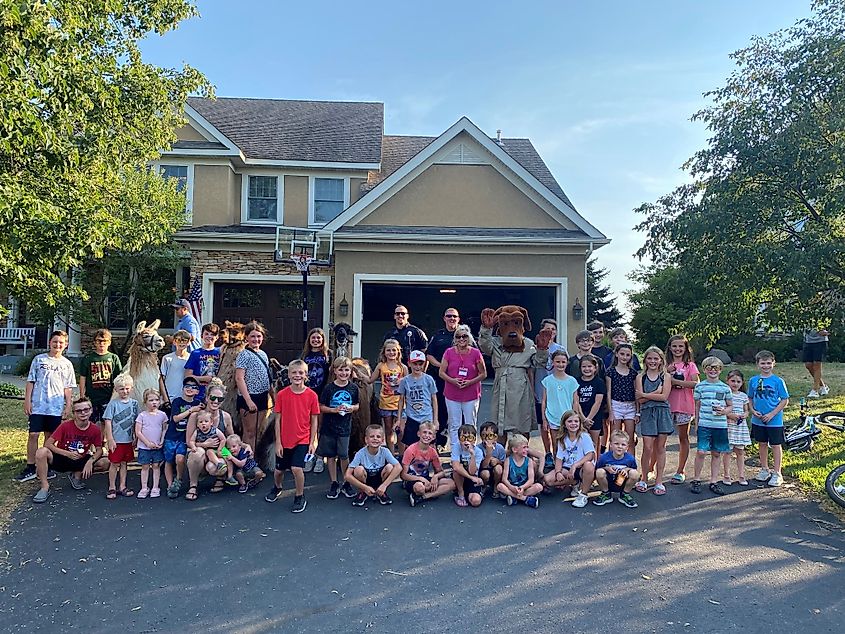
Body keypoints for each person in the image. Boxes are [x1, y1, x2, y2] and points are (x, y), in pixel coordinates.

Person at [15, 330, 76, 483]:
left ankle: (45, 465)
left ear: (66, 345)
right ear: (50, 342)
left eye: (61, 343)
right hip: (38, 405)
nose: (57, 345)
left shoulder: (67, 364)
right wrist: (27, 401)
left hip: (55, 407)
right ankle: (30, 466)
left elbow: (68, 388)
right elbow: (31, 381)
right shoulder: (39, 360)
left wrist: (68, 406)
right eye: (55, 341)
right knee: (33, 435)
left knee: (49, 437)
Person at [265, 359, 319, 513]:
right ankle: (277, 487)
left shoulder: (312, 396)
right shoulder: (282, 395)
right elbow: (277, 420)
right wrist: (279, 442)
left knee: (296, 468)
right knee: (279, 471)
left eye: (301, 372)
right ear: (288, 375)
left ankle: (299, 496)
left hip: (302, 439)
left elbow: (314, 420)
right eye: (294, 372)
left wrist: (313, 441)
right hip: (284, 440)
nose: (297, 375)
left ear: (306, 375)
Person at [31, 397, 108, 504]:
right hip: (62, 457)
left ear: (91, 411)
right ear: (74, 413)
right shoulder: (65, 425)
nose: (83, 413)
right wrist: (67, 453)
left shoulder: (95, 429)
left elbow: (99, 449)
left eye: (86, 409)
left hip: (80, 458)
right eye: (79, 411)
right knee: (41, 452)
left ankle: (77, 475)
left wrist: (90, 461)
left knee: (105, 463)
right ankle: (44, 486)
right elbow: (49, 444)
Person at [439, 324, 486, 453]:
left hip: (470, 394)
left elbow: (483, 374)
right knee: (454, 424)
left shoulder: (475, 353)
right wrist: (453, 381)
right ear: (455, 339)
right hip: (452, 394)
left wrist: (470, 382)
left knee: (470, 423)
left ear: (469, 337)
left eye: (464, 336)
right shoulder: (449, 352)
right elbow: (441, 372)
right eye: (458, 336)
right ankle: (455, 450)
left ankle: (470, 450)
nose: (461, 339)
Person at [185, 378, 235, 500]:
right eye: (213, 398)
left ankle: (221, 478)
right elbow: (188, 442)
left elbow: (231, 439)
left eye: (220, 399)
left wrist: (244, 446)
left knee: (215, 466)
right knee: (197, 453)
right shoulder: (195, 416)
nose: (216, 401)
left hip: (217, 453)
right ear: (207, 398)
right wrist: (205, 444)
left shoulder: (226, 417)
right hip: (201, 450)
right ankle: (193, 485)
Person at [691, 356, 733, 495]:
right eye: (709, 367)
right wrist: (696, 423)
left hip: (720, 425)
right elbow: (697, 406)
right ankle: (696, 479)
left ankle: (713, 481)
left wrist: (724, 411)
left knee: (716, 453)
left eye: (716, 367)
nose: (712, 370)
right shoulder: (700, 386)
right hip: (705, 423)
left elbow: (730, 406)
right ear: (704, 370)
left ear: (720, 370)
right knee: (701, 452)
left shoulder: (725, 388)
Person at [319, 356, 360, 500]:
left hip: (345, 427)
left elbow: (357, 405)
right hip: (329, 427)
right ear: (335, 371)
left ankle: (346, 481)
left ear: (350, 371)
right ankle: (334, 482)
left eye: (346, 370)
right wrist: (333, 410)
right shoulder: (329, 388)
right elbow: (321, 406)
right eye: (340, 370)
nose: (343, 373)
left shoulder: (353, 388)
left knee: (344, 455)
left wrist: (352, 408)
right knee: (331, 456)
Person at [634, 346, 673, 495]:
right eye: (649, 358)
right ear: (645, 360)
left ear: (661, 360)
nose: (652, 361)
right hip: (647, 413)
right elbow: (640, 399)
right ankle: (644, 477)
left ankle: (659, 481)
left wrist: (646, 394)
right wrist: (655, 392)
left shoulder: (666, 376)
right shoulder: (640, 377)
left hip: (662, 413)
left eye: (655, 358)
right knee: (647, 447)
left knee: (660, 447)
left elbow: (664, 397)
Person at [748, 350, 790, 488]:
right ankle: (764, 469)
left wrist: (772, 414)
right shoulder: (753, 380)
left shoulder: (778, 381)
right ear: (758, 364)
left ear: (773, 363)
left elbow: (784, 400)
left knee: (776, 445)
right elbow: (749, 397)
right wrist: (753, 410)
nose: (766, 366)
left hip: (774, 420)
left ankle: (777, 472)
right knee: (762, 443)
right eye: (763, 363)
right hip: (758, 419)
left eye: (768, 363)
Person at [543, 410, 596, 508]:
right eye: (570, 421)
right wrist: (558, 472)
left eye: (576, 421)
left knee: (588, 465)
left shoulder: (584, 436)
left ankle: (583, 494)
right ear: (564, 424)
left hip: (581, 468)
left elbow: (590, 455)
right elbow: (559, 458)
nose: (573, 424)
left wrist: (575, 465)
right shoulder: (562, 438)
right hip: (567, 468)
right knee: (548, 479)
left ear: (580, 423)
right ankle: (575, 483)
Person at [665, 334, 699, 484]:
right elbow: (654, 378)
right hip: (665, 404)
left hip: (684, 404)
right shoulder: (665, 364)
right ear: (670, 348)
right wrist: (667, 372)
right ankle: (652, 468)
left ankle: (680, 470)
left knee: (683, 437)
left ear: (685, 348)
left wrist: (677, 382)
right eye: (675, 346)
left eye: (681, 346)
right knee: (660, 438)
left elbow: (696, 383)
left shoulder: (690, 365)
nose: (677, 349)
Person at [235, 321, 273, 454]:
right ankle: (246, 461)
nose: (256, 339)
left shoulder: (263, 354)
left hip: (262, 396)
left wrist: (273, 396)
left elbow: (267, 377)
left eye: (258, 336)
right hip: (249, 397)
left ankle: (254, 458)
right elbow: (239, 378)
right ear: (246, 338)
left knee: (257, 431)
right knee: (249, 432)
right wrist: (248, 400)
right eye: (253, 336)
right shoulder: (243, 355)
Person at [425, 308, 461, 446]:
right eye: (449, 316)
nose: (451, 318)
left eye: (454, 316)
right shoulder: (438, 336)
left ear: (458, 319)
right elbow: (429, 355)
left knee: (458, 414)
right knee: (440, 410)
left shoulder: (464, 336)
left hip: (458, 381)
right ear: (444, 318)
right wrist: (441, 366)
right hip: (439, 379)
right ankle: (439, 442)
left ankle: (459, 445)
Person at [540, 350, 580, 473]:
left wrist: (576, 417)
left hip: (568, 418)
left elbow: (575, 401)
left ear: (567, 363)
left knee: (569, 444)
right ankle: (557, 469)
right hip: (553, 416)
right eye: (558, 362)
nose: (560, 365)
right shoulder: (548, 380)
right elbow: (544, 401)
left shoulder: (572, 381)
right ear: (553, 362)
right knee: (556, 443)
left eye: (563, 362)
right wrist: (544, 419)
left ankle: (568, 467)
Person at [345, 424, 402, 507]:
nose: (375, 439)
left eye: (378, 437)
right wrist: (364, 487)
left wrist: (384, 485)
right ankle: (363, 492)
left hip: (380, 479)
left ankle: (381, 492)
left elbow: (399, 467)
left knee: (390, 467)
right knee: (358, 469)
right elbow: (347, 475)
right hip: (366, 480)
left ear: (382, 440)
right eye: (372, 436)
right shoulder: (360, 453)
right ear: (366, 440)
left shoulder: (385, 451)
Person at [163, 376, 202, 499]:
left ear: (197, 391)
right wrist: (191, 411)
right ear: (183, 388)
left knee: (180, 459)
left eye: (193, 387)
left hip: (184, 437)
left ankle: (178, 479)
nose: (190, 389)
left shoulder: (198, 403)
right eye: (187, 386)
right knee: (169, 460)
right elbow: (175, 418)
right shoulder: (177, 401)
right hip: (172, 435)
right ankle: (170, 485)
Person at [367, 338, 407, 455]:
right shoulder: (381, 366)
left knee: (400, 431)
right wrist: (358, 374)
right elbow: (370, 380)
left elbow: (408, 384)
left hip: (400, 403)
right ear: (384, 352)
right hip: (385, 403)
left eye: (394, 350)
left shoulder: (402, 367)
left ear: (398, 352)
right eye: (388, 350)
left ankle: (402, 455)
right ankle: (390, 454)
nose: (391, 353)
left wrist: (402, 381)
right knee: (389, 431)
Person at [103, 374, 139, 499]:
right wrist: (110, 439)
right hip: (116, 440)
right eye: (121, 389)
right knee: (114, 463)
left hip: (128, 439)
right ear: (116, 390)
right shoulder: (113, 404)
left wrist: (136, 436)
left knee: (124, 463)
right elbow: (107, 421)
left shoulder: (134, 404)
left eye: (127, 388)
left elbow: (136, 421)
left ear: (131, 388)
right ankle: (112, 486)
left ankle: (122, 486)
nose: (125, 391)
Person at [401, 421, 454, 506]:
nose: (427, 435)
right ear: (418, 434)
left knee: (451, 483)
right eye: (424, 432)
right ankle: (428, 493)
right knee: (420, 487)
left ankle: (423, 497)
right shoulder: (410, 450)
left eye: (430, 433)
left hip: (426, 479)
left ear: (433, 437)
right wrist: (421, 480)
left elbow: (440, 471)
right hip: (412, 480)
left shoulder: (432, 452)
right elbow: (403, 475)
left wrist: (435, 477)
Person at [532, 318, 566, 450]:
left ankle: (558, 451)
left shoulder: (560, 349)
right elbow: (531, 370)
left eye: (553, 329)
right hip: (540, 391)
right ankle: (547, 451)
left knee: (557, 424)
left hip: (557, 392)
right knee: (543, 424)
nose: (550, 332)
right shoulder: (534, 348)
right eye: (547, 329)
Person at [396, 350, 438, 455]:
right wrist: (399, 419)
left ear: (424, 364)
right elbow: (401, 400)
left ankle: (428, 466)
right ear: (409, 363)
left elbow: (434, 399)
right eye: (415, 364)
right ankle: (410, 466)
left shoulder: (429, 379)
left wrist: (435, 420)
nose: (417, 367)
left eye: (420, 364)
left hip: (426, 417)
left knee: (429, 444)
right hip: (412, 417)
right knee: (410, 445)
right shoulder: (405, 381)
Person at [302, 328, 331, 474]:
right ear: (309, 340)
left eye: (319, 338)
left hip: (322, 396)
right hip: (306, 396)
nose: (316, 340)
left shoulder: (328, 355)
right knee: (308, 428)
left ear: (323, 340)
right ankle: (309, 456)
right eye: (313, 338)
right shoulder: (304, 356)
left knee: (320, 427)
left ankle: (320, 457)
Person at [78, 328, 122, 423]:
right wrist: (82, 396)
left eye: (104, 341)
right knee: (90, 422)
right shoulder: (88, 358)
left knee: (106, 422)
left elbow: (118, 379)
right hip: (92, 397)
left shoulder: (113, 358)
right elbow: (82, 378)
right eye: (99, 341)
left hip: (108, 397)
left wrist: (116, 395)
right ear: (94, 342)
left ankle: (104, 438)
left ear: (109, 342)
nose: (102, 343)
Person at [592, 430, 640, 508]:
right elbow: (597, 469)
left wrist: (626, 470)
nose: (619, 446)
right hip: (608, 482)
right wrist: (606, 468)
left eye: (623, 444)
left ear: (627, 447)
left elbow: (633, 470)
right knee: (599, 472)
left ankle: (625, 494)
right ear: (610, 444)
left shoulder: (630, 458)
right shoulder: (604, 457)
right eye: (616, 444)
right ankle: (606, 494)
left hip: (622, 483)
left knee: (634, 473)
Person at [135, 388, 168, 499]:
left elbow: (164, 429)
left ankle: (155, 486)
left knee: (156, 466)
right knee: (145, 466)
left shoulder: (162, 415)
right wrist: (147, 443)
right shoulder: (142, 416)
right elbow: (138, 432)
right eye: (151, 400)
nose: (154, 402)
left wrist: (162, 441)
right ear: (145, 402)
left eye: (156, 400)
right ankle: (144, 487)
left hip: (157, 446)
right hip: (144, 447)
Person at [606, 343, 638, 450]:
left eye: (627, 355)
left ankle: (630, 463)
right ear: (616, 354)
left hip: (630, 406)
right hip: (616, 405)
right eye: (622, 354)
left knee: (629, 438)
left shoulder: (633, 373)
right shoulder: (611, 371)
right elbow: (609, 393)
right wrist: (611, 413)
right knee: (615, 437)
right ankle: (612, 463)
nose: (624, 357)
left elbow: (636, 392)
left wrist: (637, 412)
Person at [722, 369, 752, 486]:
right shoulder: (725, 394)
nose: (735, 384)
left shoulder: (743, 396)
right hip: (728, 425)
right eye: (733, 381)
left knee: (740, 451)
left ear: (742, 383)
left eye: (738, 381)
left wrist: (744, 415)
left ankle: (741, 475)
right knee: (728, 451)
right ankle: (726, 475)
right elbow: (722, 409)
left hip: (740, 427)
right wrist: (730, 415)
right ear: (728, 381)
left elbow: (746, 410)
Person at [496, 434, 542, 508]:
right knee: (500, 486)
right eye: (524, 447)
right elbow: (504, 479)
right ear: (515, 450)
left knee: (539, 487)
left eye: (527, 447)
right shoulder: (508, 461)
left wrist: (522, 487)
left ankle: (514, 497)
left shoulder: (529, 461)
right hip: (512, 487)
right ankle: (525, 499)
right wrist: (511, 487)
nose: (527, 450)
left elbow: (531, 480)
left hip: (525, 487)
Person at [576, 354, 606, 457]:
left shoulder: (599, 382)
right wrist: (583, 419)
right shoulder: (576, 382)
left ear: (595, 368)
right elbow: (576, 401)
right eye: (584, 366)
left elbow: (598, 402)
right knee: (580, 442)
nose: (587, 369)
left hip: (595, 417)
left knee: (594, 443)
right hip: (580, 416)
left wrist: (589, 419)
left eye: (589, 366)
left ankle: (594, 467)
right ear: (580, 368)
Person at [382, 304, 428, 370]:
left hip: (412, 371)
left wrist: (422, 371)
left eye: (403, 313)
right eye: (397, 314)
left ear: (407, 316)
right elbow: (384, 354)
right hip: (395, 372)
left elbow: (426, 353)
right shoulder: (389, 334)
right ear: (394, 316)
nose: (400, 316)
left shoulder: (416, 332)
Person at [184, 322, 221, 401]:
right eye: (206, 334)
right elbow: (188, 376)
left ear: (217, 337)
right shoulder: (195, 353)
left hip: (217, 394)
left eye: (212, 334)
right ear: (202, 336)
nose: (209, 336)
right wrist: (203, 378)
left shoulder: (221, 352)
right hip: (199, 394)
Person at [189, 410, 227, 483]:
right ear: (197, 424)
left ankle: (219, 465)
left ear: (211, 423)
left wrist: (219, 449)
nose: (203, 424)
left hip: (216, 450)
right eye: (201, 422)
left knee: (210, 452)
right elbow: (191, 441)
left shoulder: (215, 430)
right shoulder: (197, 432)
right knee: (207, 452)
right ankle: (200, 475)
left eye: (206, 421)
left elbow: (223, 439)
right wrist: (193, 446)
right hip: (204, 453)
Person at [451, 424, 485, 508]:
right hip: (460, 477)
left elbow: (472, 471)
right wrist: (471, 477)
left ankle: (474, 493)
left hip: (472, 477)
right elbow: (455, 466)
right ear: (459, 439)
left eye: (469, 438)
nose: (466, 441)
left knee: (476, 501)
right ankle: (461, 493)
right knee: (457, 469)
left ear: (474, 440)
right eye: (463, 438)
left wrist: (472, 455)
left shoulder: (478, 451)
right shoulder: (456, 447)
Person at [159, 329, 191, 411]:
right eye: (178, 340)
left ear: (189, 342)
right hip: (170, 398)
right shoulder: (167, 358)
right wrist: (166, 400)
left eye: (184, 340)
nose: (181, 343)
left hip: (186, 398)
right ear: (174, 342)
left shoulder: (191, 358)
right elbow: (161, 379)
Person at [477, 421, 506, 497]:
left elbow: (504, 463)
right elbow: (483, 466)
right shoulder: (478, 448)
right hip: (483, 471)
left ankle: (496, 486)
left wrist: (498, 461)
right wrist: (488, 454)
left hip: (495, 473)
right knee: (485, 474)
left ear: (495, 437)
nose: (486, 438)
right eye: (484, 435)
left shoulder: (500, 448)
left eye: (490, 436)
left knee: (499, 468)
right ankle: (484, 486)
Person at [803, 329, 830, 398]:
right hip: (808, 341)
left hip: (820, 341)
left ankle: (815, 390)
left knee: (817, 365)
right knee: (808, 365)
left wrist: (827, 331)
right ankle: (823, 386)